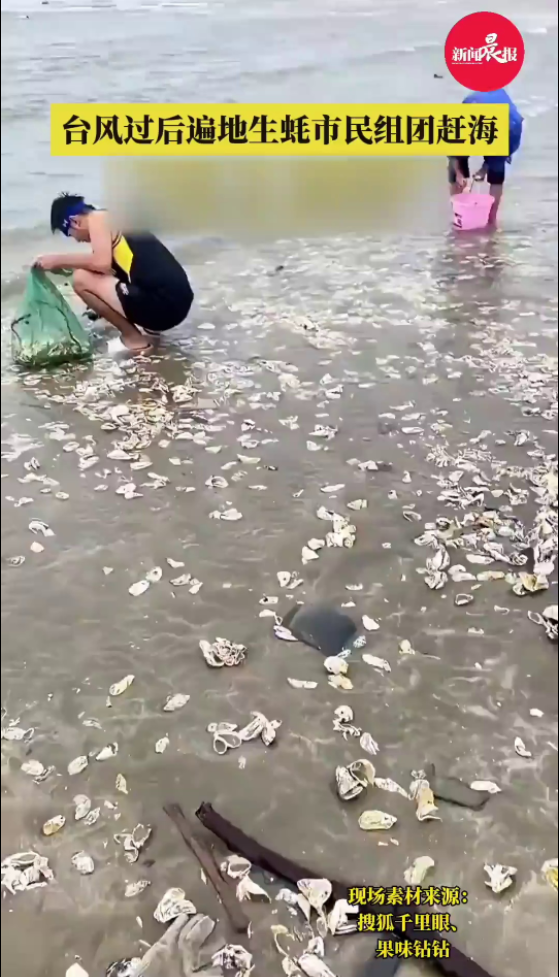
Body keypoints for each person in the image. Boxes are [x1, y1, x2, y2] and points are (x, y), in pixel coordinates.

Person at [35, 194, 194, 353]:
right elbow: (111, 269)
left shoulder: (98, 218)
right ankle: (152, 333)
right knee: (95, 277)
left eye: (69, 234)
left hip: (164, 307)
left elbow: (101, 263)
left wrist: (58, 260)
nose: (76, 240)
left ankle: (133, 339)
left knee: (80, 279)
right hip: (177, 304)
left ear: (75, 222)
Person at [448, 88, 524, 225]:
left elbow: (499, 158)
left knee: (496, 173)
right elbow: (452, 154)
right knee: (455, 167)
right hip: (479, 108)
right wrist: (459, 174)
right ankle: (459, 215)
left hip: (508, 125)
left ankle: (491, 220)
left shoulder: (509, 128)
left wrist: (485, 168)